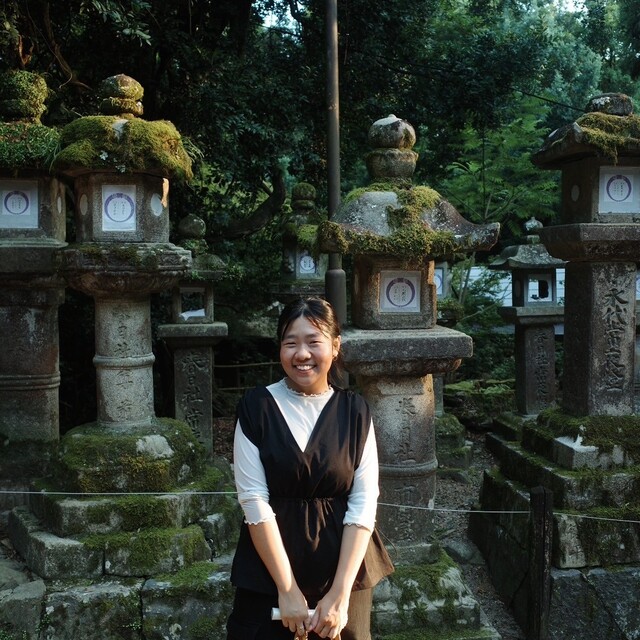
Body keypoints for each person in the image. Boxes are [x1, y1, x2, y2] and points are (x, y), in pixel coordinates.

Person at [226, 297, 394, 640]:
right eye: (291, 343)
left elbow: (363, 502)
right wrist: (287, 589)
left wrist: (340, 593)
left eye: (313, 342)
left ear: (335, 346)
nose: (302, 354)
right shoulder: (256, 408)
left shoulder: (355, 412)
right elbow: (254, 500)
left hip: (343, 569)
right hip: (269, 571)